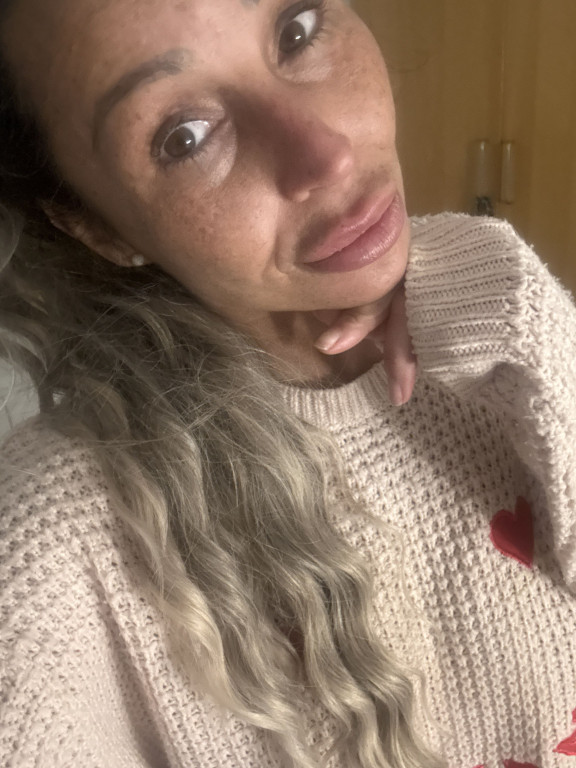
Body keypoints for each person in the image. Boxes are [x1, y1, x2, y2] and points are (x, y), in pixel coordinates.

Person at [0, 0, 575, 766]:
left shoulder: (507, 342)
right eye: (185, 136)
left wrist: (522, 318)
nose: (323, 154)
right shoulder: (49, 555)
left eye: (297, 31)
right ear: (97, 227)